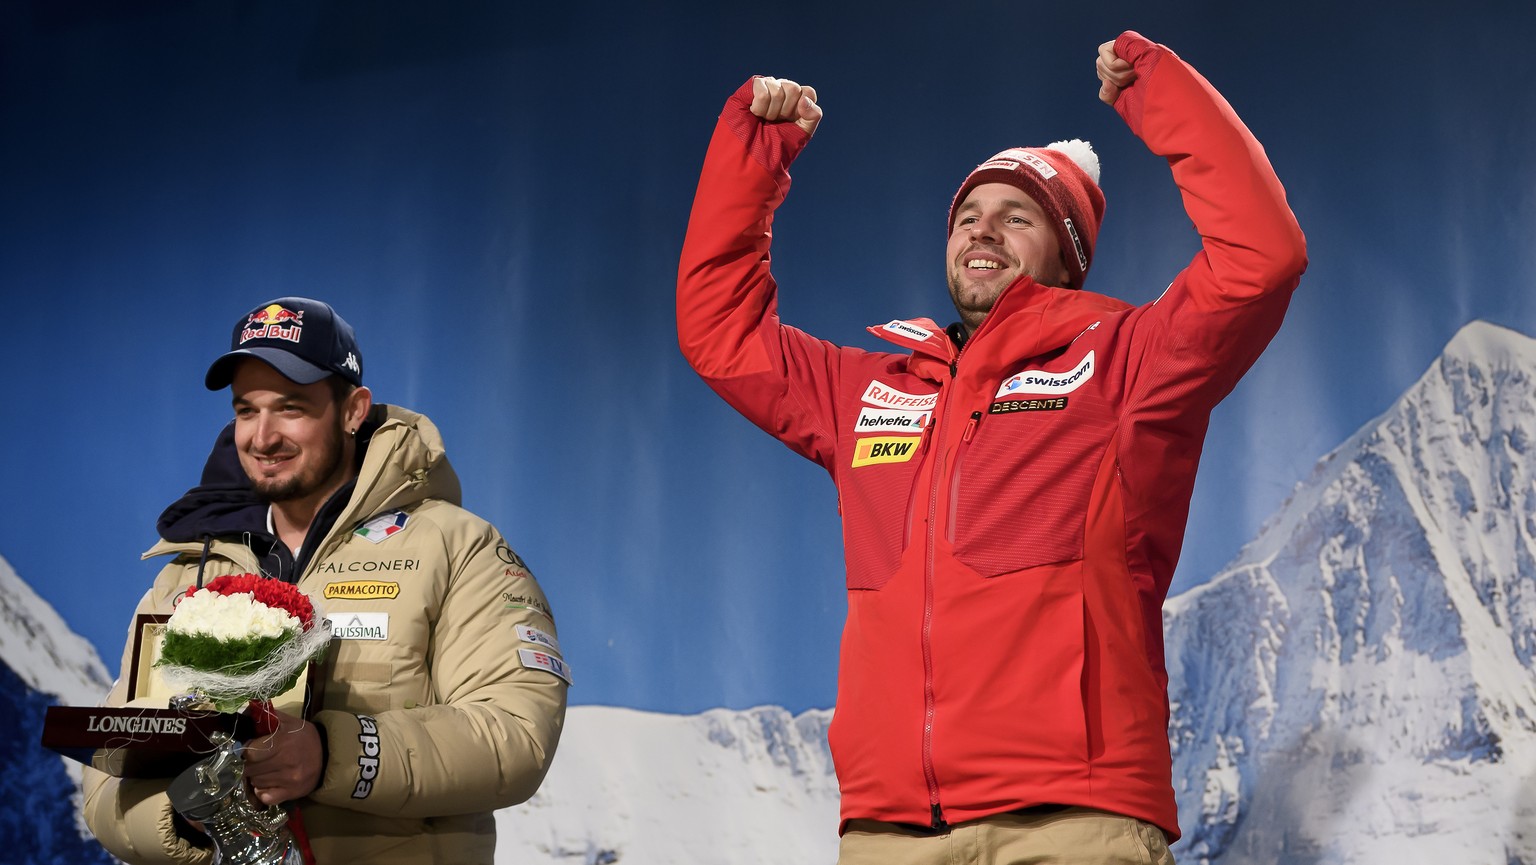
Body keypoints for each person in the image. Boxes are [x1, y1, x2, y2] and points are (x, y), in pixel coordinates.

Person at [677, 31, 1305, 863]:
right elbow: (720, 331)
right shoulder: (869, 389)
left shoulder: (1121, 362)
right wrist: (753, 158)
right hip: (890, 829)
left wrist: (1161, 94)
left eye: (1018, 217)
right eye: (969, 216)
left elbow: (1262, 258)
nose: (984, 231)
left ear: (1068, 255)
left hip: (1070, 820)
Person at [83, 297, 569, 864]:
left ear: (352, 410)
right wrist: (187, 815)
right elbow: (105, 777)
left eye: (290, 409)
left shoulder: (457, 546)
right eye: (246, 411)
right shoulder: (189, 572)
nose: (262, 438)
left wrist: (334, 755)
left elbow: (517, 736)